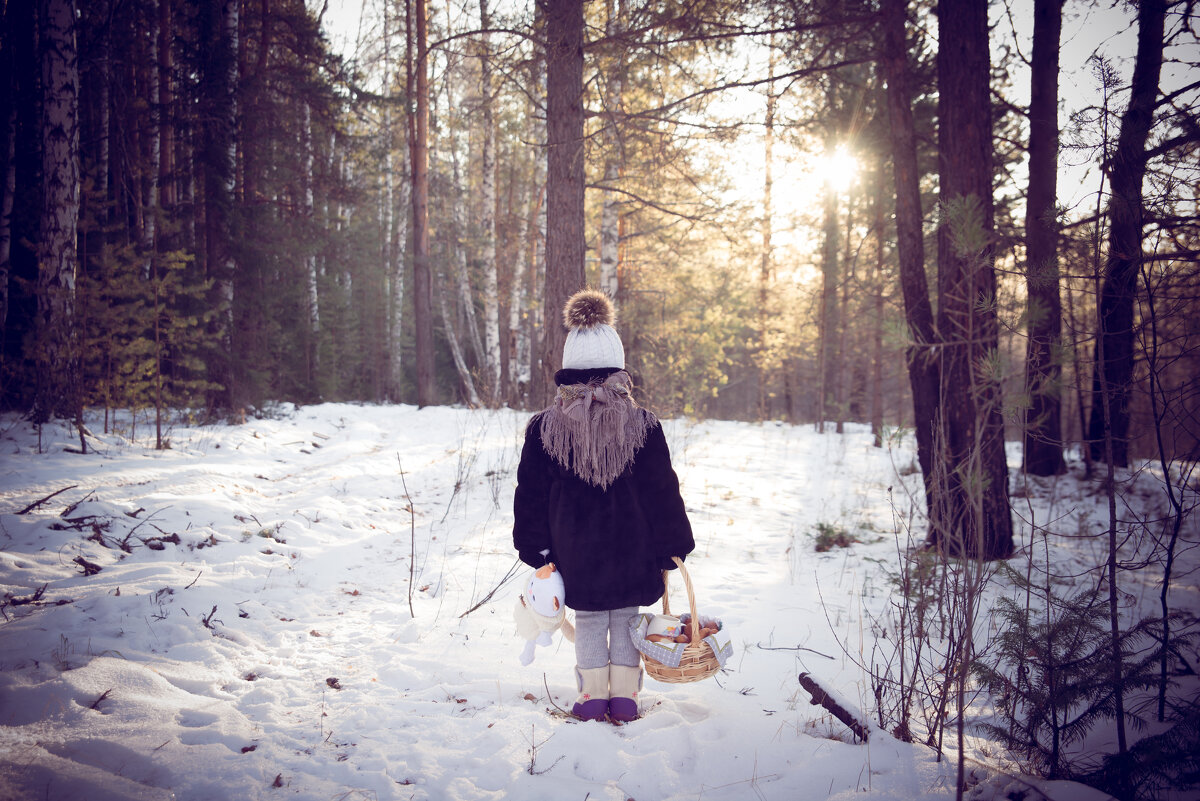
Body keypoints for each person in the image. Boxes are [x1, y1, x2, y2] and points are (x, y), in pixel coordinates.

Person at [512, 288, 694, 722]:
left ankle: (592, 697)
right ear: (618, 367)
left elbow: (530, 493)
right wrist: (673, 544)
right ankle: (626, 698)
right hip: (633, 547)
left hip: (574, 550)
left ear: (568, 370)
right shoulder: (643, 423)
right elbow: (661, 489)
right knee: (628, 620)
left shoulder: (545, 427)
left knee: (592, 619)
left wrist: (535, 550)